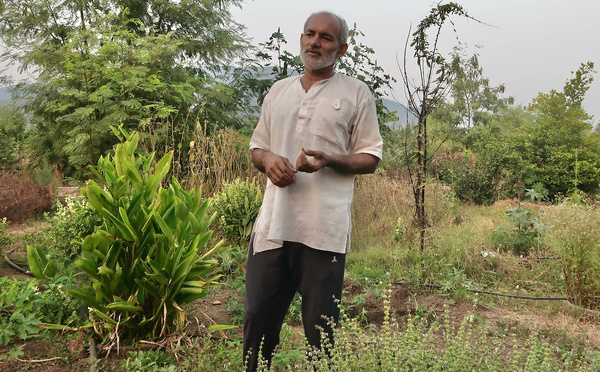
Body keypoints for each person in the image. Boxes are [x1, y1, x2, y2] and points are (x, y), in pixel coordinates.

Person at [243, 10, 383, 371]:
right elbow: (257, 148)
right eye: (309, 34)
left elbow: (370, 157)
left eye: (325, 37)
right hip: (273, 226)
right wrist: (269, 159)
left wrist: (330, 160)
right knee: (258, 319)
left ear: (342, 48)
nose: (315, 42)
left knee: (320, 330)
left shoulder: (356, 93)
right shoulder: (279, 91)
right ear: (302, 38)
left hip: (324, 231)